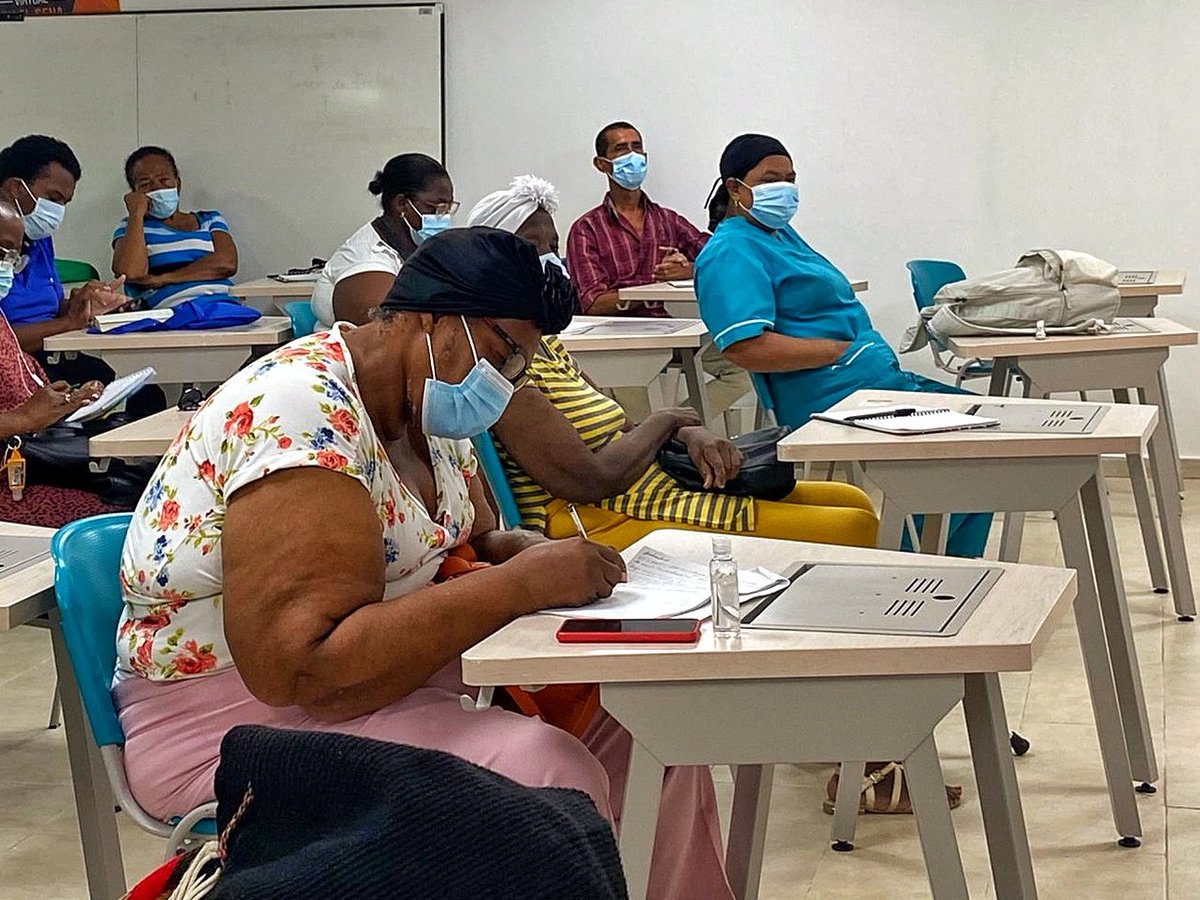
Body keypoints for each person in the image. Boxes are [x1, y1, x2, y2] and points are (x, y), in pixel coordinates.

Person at [114, 227, 734, 900]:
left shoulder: (424, 411)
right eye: (502, 352)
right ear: (430, 316)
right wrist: (519, 586)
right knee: (544, 772)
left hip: (386, 677)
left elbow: (459, 542)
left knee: (649, 730)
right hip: (237, 718)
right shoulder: (300, 415)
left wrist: (515, 552)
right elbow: (303, 668)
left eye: (521, 363)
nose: (506, 382)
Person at [468, 176, 878, 549]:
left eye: (552, 248)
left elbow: (622, 426)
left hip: (649, 484)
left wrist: (687, 434)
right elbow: (591, 480)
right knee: (852, 528)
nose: (550, 260)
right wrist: (669, 420)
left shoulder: (547, 346)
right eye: (532, 249)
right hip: (603, 515)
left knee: (855, 501)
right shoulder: (499, 368)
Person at [694, 133, 991, 558]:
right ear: (734, 187)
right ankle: (911, 571)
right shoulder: (729, 251)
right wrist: (835, 352)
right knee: (965, 456)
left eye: (791, 178)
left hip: (871, 383)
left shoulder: (781, 236)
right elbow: (744, 347)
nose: (784, 188)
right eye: (770, 178)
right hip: (830, 396)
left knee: (988, 438)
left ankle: (954, 571)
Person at [567, 121, 751, 422]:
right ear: (602, 164)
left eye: (637, 147)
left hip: (667, 331)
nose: (632, 155)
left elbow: (719, 258)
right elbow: (592, 302)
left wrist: (689, 270)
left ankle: (668, 427)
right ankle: (655, 433)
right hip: (618, 340)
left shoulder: (666, 219)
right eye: (621, 149)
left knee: (741, 370)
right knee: (633, 399)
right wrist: (647, 285)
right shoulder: (586, 229)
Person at [0, 198, 117, 526]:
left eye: (12, 256)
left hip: (26, 462)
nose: (7, 266)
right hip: (13, 482)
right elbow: (21, 413)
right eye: (1, 254)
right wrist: (21, 419)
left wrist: (64, 401)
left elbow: (23, 384)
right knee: (117, 515)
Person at [311, 153, 457, 327]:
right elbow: (393, 331)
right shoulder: (368, 257)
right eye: (437, 207)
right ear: (401, 204)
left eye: (448, 208)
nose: (443, 216)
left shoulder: (419, 248)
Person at [111, 146, 239, 309]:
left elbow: (227, 263)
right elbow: (129, 273)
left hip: (224, 306)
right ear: (134, 193)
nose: (157, 188)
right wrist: (136, 214)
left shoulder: (210, 219)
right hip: (171, 318)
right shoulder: (130, 228)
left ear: (177, 184)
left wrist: (163, 279)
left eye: (164, 180)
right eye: (145, 184)